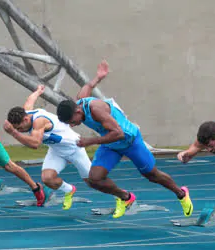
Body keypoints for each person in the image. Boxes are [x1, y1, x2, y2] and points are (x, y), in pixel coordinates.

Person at [56, 60, 193, 218]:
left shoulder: (97, 110)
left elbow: (118, 133)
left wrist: (89, 141)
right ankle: (125, 198)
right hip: (111, 145)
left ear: (78, 111)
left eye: (72, 122)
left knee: (152, 175)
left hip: (129, 141)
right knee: (94, 179)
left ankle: (181, 193)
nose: (73, 125)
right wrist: (98, 77)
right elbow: (87, 88)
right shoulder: (79, 101)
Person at [4, 85, 91, 210]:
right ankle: (69, 190)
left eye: (20, 128)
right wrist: (38, 91)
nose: (20, 131)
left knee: (93, 181)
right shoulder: (26, 112)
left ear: (25, 119)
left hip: (74, 148)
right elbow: (30, 100)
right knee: (47, 178)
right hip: (56, 151)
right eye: (17, 129)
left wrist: (13, 133)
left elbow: (35, 144)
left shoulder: (39, 121)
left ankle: (123, 197)